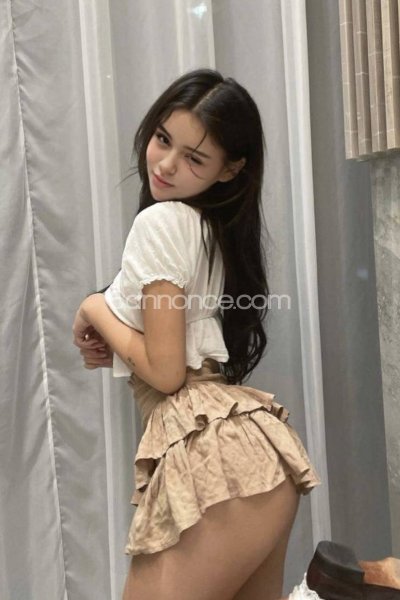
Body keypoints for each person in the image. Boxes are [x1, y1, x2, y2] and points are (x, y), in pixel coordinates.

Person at [72, 68, 321, 600]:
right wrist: (109, 319)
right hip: (257, 452)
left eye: (194, 158)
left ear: (231, 169)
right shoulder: (209, 231)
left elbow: (166, 373)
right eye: (163, 139)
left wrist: (93, 305)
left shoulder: (161, 223)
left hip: (213, 461)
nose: (165, 165)